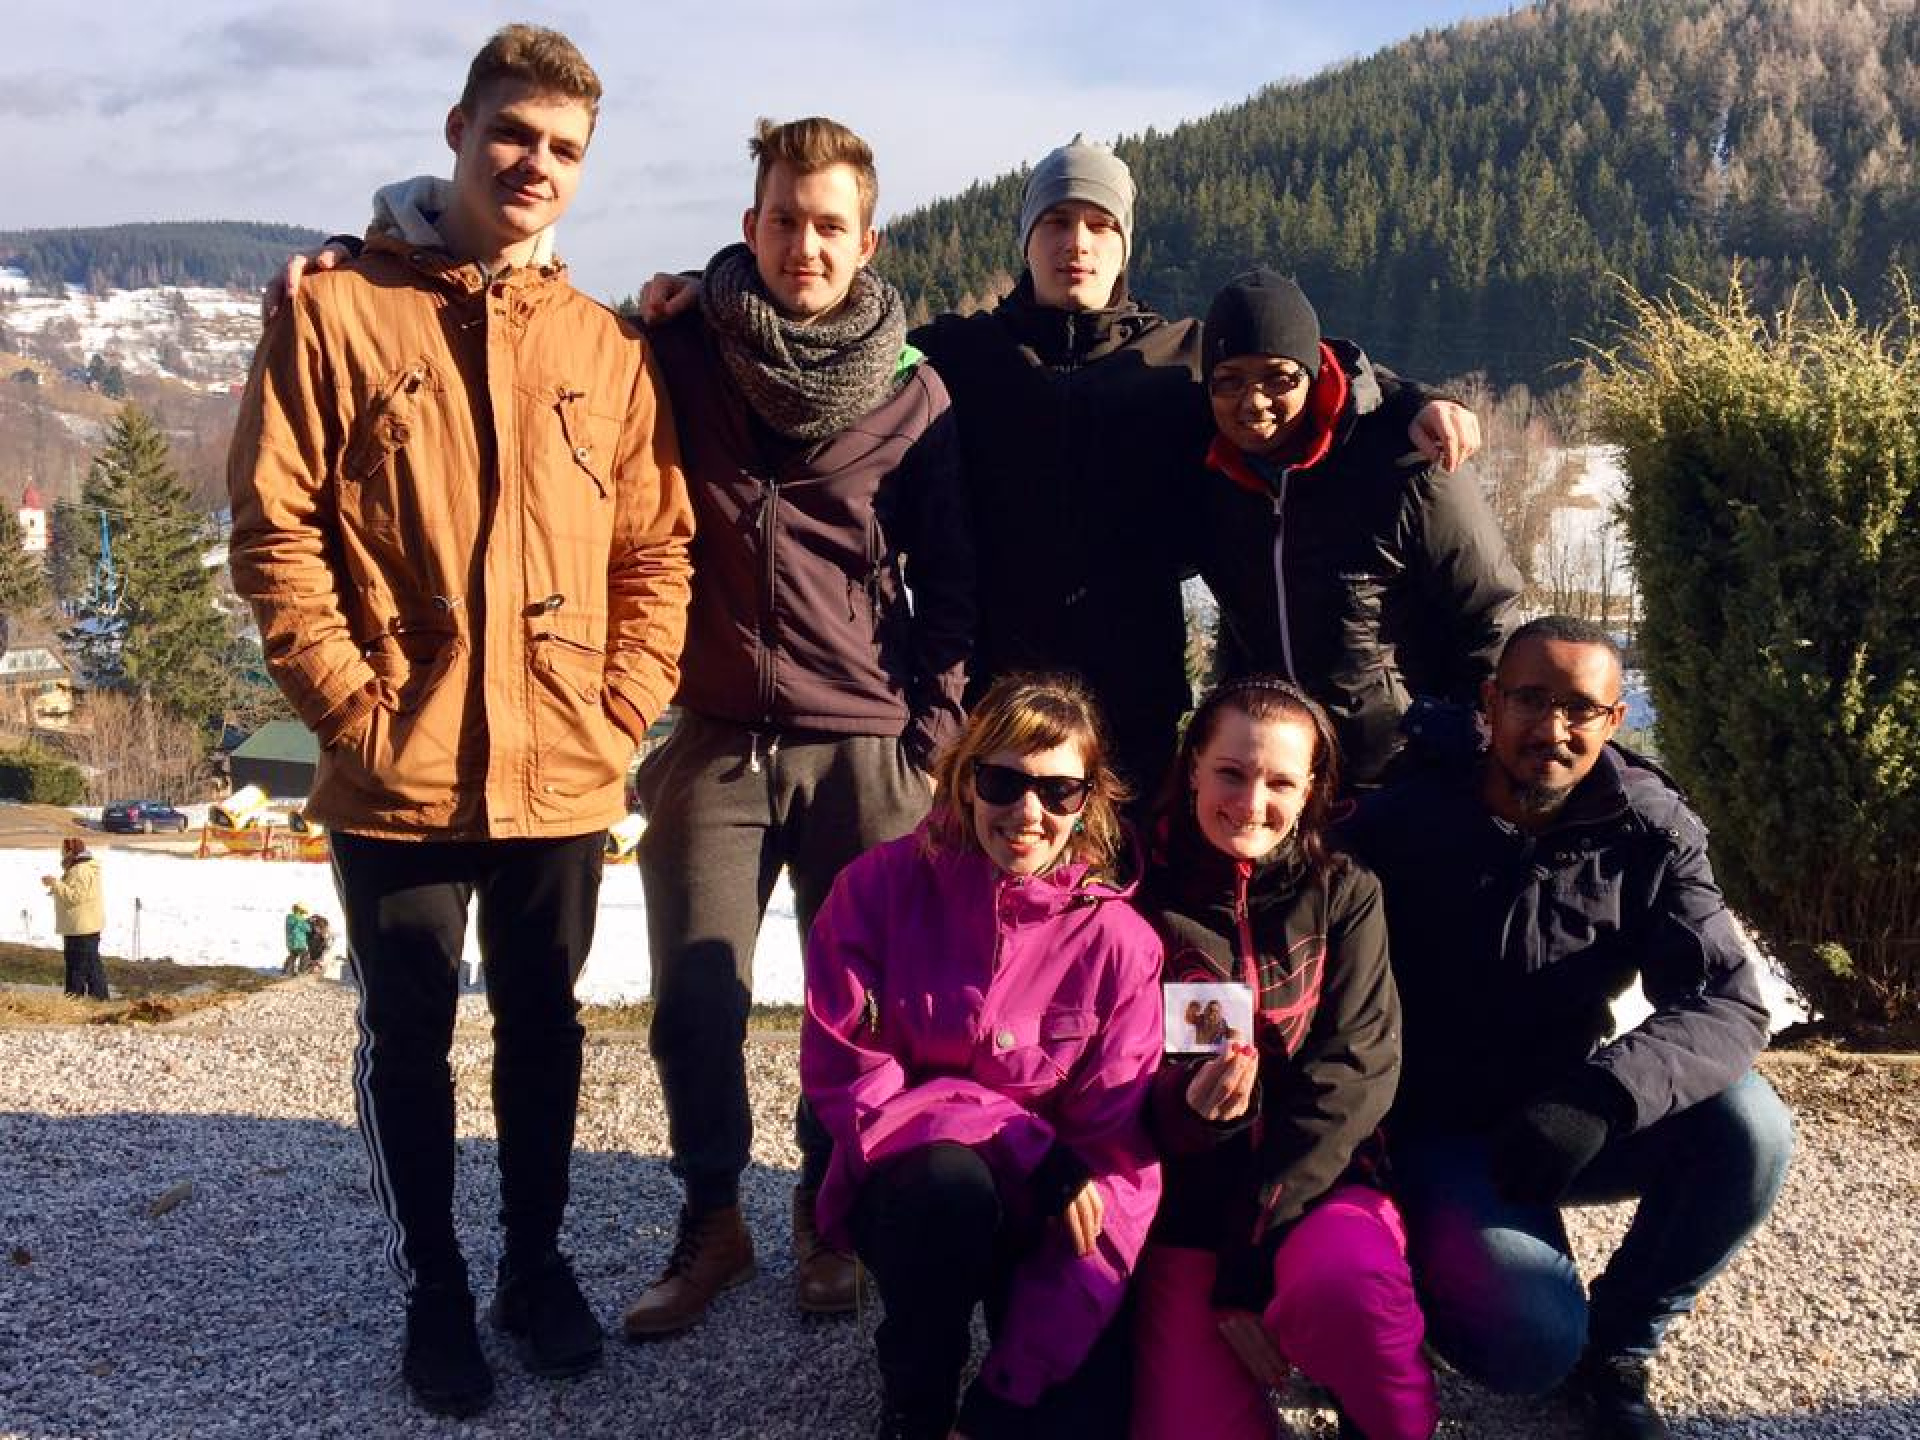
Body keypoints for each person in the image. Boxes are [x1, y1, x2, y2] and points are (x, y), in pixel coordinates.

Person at [267, 115, 974, 1331]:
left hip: (865, 742)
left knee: (857, 1008)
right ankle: (714, 1220)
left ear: (869, 243)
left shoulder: (914, 392)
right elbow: (513, 319)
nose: (805, 246)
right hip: (712, 732)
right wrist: (356, 252)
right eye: (785, 220)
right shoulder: (677, 344)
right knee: (694, 1004)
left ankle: (827, 1212)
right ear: (750, 223)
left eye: (830, 226)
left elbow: (954, 584)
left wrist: (929, 742)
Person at [227, 24, 693, 1420]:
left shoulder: (605, 344)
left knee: (545, 1027)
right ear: (458, 130)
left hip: (562, 763)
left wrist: (623, 703)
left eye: (565, 148)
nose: (536, 163)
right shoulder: (335, 311)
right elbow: (275, 529)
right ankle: (434, 1290)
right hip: (398, 766)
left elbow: (657, 550)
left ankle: (533, 1268)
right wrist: (347, 705)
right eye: (514, 133)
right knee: (410, 1037)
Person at [638, 134, 1480, 795]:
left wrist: (1415, 399)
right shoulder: (958, 355)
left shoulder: (1179, 361)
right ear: (1027, 237)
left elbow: (1306, 367)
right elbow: (826, 328)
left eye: (1099, 225)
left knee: (1122, 932)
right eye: (1056, 222)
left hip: (1135, 711)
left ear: (1124, 243)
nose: (1077, 242)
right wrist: (708, 290)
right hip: (992, 704)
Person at [1342, 616, 1795, 1440]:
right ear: (1490, 703)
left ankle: (1618, 1349)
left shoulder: (1650, 831)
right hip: (1433, 1129)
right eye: (1530, 699)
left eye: (1581, 708)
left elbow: (1728, 999)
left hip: (1560, 1116)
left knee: (1750, 1127)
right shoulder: (1402, 822)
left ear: (1614, 719)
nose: (1553, 729)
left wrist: (1603, 1095)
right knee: (1527, 1345)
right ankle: (1415, 1274)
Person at [801, 673, 1163, 1439]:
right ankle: (918, 1390)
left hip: (1049, 1212)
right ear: (966, 781)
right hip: (921, 1190)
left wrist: (1010, 1388)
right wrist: (1021, 1139)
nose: (1028, 813)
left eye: (1058, 791)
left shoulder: (1122, 944)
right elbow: (852, 1083)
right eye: (1004, 782)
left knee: (1079, 1415)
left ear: (1089, 800)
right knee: (947, 1189)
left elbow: (1117, 1165)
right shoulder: (874, 889)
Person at [1132, 677, 1434, 1440]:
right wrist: (1187, 1110)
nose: (1251, 802)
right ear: (1193, 767)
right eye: (1231, 773)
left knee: (1350, 1298)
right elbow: (1108, 1074)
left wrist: (1255, 1246)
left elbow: (1355, 1072)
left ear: (1310, 791)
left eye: (1280, 783)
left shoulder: (1344, 891)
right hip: (1187, 1212)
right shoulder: (1138, 892)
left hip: (1316, 1189)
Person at [1192, 270, 1521, 787]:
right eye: (1229, 380)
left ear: (1311, 373)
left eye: (1279, 378)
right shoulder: (1211, 474)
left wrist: (1469, 751)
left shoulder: (1407, 461)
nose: (1253, 402)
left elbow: (1489, 612)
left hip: (1402, 777)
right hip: (1275, 777)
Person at [44, 837, 107, 1000]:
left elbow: (76, 897)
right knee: (90, 965)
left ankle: (75, 999)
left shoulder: (80, 870)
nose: (61, 854)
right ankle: (98, 999)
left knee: (77, 966)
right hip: (82, 925)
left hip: (81, 927)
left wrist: (55, 884)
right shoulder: (80, 868)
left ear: (70, 852)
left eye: (63, 851)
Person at [283, 903, 311, 976]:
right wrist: (308, 922)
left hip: (290, 942)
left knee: (293, 955)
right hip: (299, 942)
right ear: (300, 911)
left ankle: (288, 971)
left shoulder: (289, 918)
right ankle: (302, 971)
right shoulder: (300, 920)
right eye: (302, 912)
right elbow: (308, 929)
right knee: (304, 954)